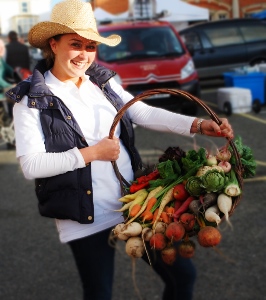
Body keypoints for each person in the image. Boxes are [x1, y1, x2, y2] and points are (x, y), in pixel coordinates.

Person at [7, 1, 234, 299]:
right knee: (99, 293)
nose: (84, 55)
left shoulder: (100, 82)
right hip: (86, 218)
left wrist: (198, 125)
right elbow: (31, 165)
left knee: (182, 277)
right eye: (76, 44)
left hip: (132, 204)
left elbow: (142, 113)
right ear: (54, 43)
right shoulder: (31, 100)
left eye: (91, 46)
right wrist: (92, 153)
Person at [0, 38, 15, 148]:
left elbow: (9, 69)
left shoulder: (1, 60)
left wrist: (16, 72)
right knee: (4, 118)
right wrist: (9, 86)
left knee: (6, 117)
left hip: (2, 95)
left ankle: (10, 140)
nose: (1, 49)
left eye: (2, 48)